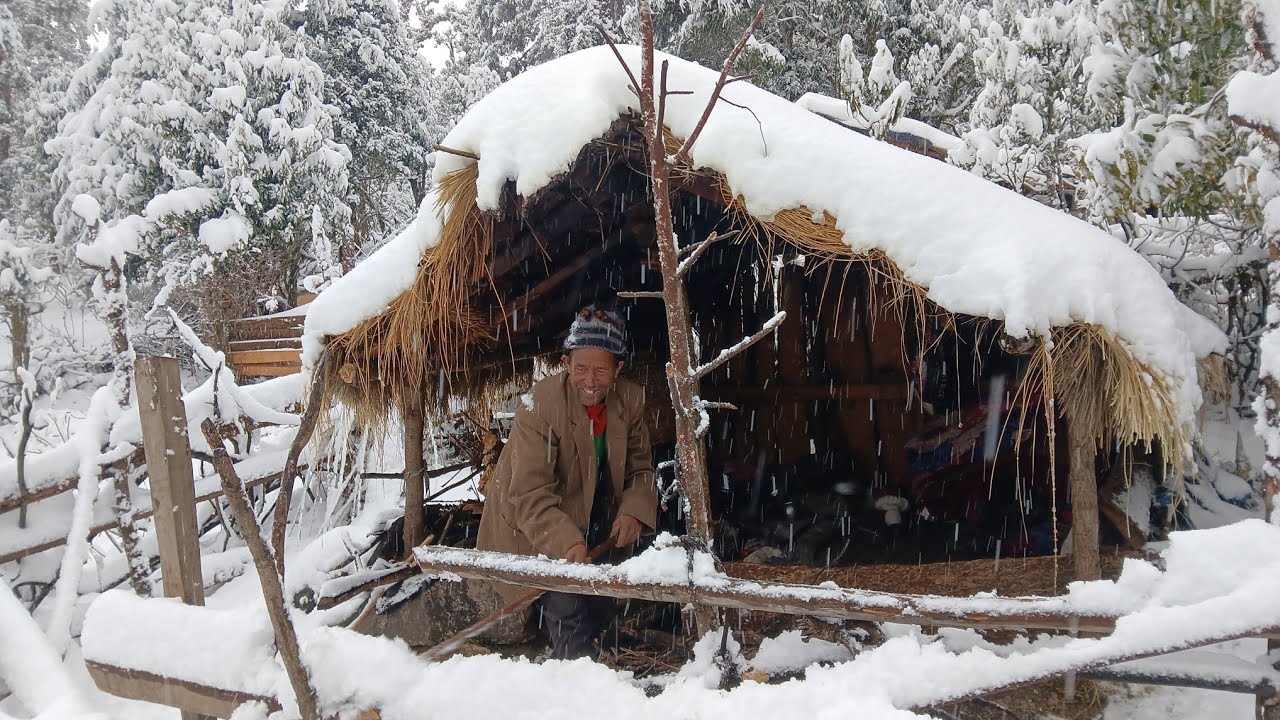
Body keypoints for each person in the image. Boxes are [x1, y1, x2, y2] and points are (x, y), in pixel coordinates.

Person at [476, 304, 657, 660]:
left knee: (604, 597)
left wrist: (634, 512)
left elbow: (641, 470)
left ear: (618, 369)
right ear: (565, 364)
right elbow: (530, 494)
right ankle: (574, 673)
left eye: (601, 370)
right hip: (532, 529)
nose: (590, 381)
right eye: (581, 369)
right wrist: (568, 544)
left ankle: (603, 649)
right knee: (565, 596)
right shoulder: (539, 406)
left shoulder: (630, 401)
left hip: (588, 515)